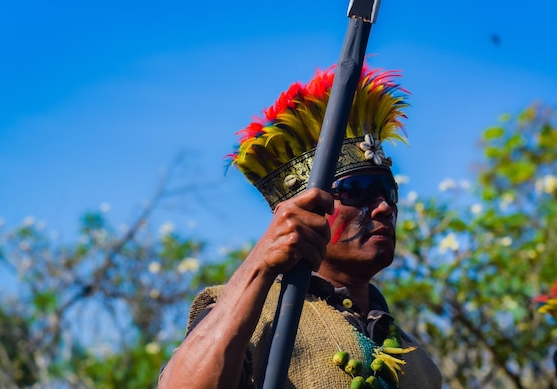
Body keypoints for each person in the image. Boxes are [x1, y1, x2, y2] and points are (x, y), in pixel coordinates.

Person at [159, 64, 442, 388]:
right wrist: (260, 264)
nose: (382, 208)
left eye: (388, 192)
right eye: (357, 189)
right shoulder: (253, 316)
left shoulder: (421, 364)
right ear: (302, 211)